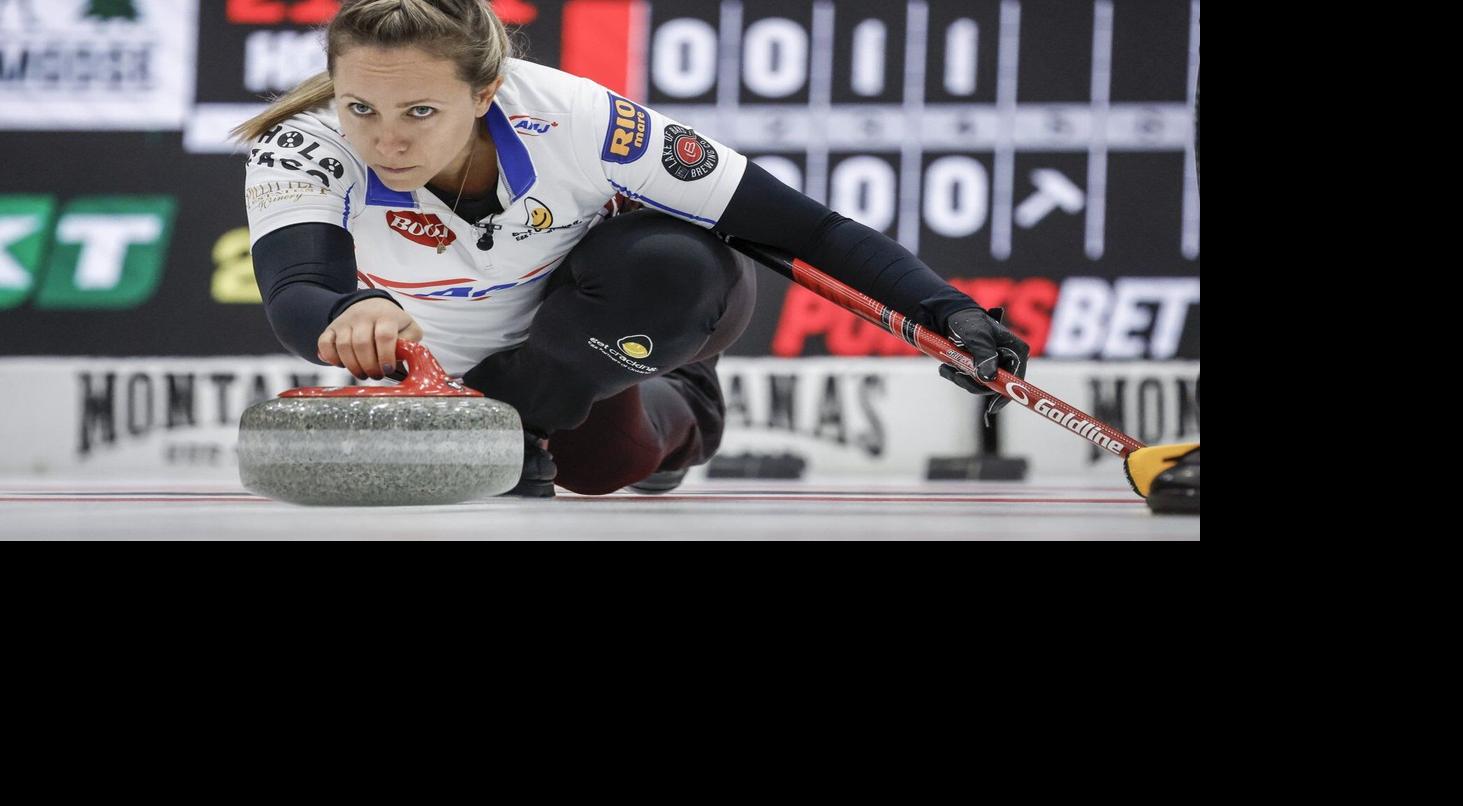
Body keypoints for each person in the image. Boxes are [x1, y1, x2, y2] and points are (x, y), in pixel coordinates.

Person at [234, 0, 1029, 497]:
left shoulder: (576, 117)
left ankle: (680, 397)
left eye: (418, 111)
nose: (384, 138)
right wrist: (349, 312)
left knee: (670, 268)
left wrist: (946, 308)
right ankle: (538, 420)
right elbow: (299, 288)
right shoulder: (301, 144)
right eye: (360, 106)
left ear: (484, 94)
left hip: (597, 314)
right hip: (468, 367)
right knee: (598, 466)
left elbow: (810, 229)